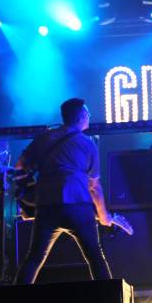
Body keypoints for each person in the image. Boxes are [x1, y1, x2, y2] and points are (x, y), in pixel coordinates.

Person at [14, 98, 113, 284]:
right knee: (95, 257)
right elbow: (94, 187)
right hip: (78, 207)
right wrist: (103, 214)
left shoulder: (43, 139)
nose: (89, 117)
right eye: (88, 114)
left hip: (47, 207)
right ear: (81, 116)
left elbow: (19, 166)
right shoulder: (88, 144)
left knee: (34, 259)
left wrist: (28, 198)